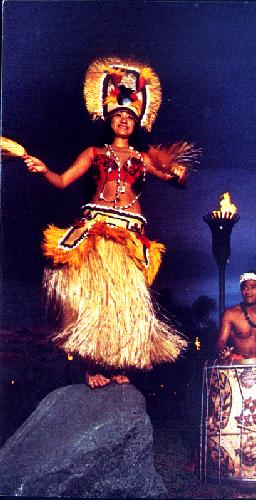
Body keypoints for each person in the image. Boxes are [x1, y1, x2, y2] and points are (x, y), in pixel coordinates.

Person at [23, 56, 198, 388]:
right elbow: (61, 181)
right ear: (109, 118)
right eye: (118, 115)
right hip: (99, 227)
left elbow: (180, 180)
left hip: (130, 232)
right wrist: (42, 168)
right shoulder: (94, 153)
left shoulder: (142, 158)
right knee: (96, 300)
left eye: (129, 117)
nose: (123, 120)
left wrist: (174, 167)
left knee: (125, 301)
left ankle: (119, 364)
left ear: (136, 124)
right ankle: (92, 366)